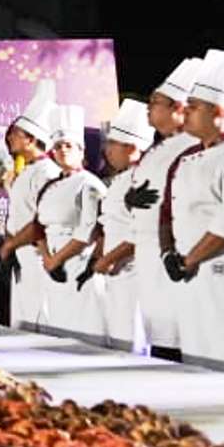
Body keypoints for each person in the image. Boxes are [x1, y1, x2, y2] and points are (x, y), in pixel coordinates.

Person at [158, 49, 224, 376]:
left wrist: (189, 260)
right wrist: (170, 254)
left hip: (223, 271)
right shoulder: (188, 157)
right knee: (194, 361)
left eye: (193, 108)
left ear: (220, 111)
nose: (186, 113)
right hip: (187, 271)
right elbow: (167, 211)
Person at [125, 57, 205, 358]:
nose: (149, 106)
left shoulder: (192, 147)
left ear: (178, 109)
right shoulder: (157, 148)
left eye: (156, 102)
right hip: (146, 251)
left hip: (173, 248)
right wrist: (129, 199)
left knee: (179, 334)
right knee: (157, 329)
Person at [32, 107, 107, 341]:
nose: (62, 150)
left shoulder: (90, 184)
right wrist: (47, 258)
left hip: (78, 262)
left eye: (68, 145)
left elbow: (89, 231)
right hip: (50, 264)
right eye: (57, 146)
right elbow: (37, 227)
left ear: (80, 150)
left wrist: (57, 260)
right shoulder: (49, 186)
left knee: (82, 329)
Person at [89, 99, 155, 351]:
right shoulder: (119, 180)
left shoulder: (144, 179)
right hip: (114, 271)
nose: (107, 150)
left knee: (132, 342)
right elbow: (111, 225)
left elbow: (142, 232)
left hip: (134, 271)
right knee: (116, 340)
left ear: (132, 148)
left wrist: (108, 259)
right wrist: (100, 254)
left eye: (113, 144)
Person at [0, 82, 65, 330]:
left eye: (15, 133)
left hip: (38, 255)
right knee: (23, 317)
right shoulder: (27, 171)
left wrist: (13, 243)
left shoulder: (47, 172)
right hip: (22, 254)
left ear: (31, 139)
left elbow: (42, 220)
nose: (11, 138)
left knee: (41, 317)